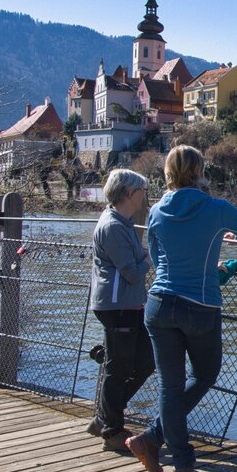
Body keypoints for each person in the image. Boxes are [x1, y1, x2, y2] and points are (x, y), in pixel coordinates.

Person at [126, 145, 237, 472]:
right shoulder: (216, 208)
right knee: (205, 374)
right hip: (201, 305)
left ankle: (181, 463)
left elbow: (159, 262)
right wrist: (230, 236)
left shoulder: (157, 212)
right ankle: (153, 440)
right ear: (200, 171)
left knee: (169, 387)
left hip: (159, 303)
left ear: (167, 173)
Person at [88, 169, 153, 450]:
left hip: (128, 303)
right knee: (118, 368)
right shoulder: (114, 227)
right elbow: (132, 272)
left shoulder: (121, 222)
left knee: (146, 362)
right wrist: (150, 257)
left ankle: (105, 416)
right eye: (141, 191)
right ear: (129, 193)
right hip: (118, 305)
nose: (144, 197)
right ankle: (111, 430)